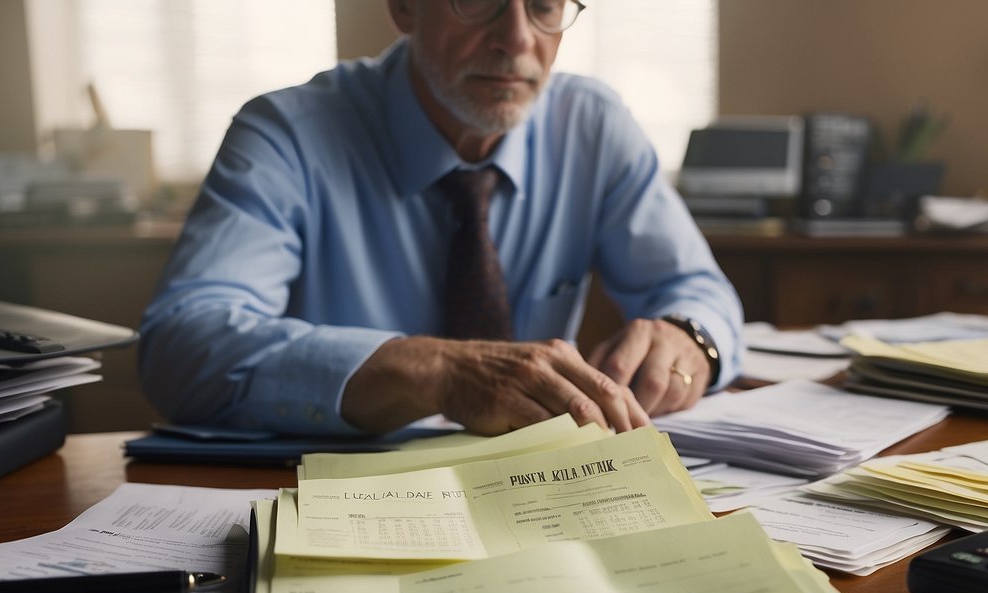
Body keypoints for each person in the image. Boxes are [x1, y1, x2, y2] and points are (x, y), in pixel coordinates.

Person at [138, 0, 744, 438]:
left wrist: (689, 339)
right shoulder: (285, 136)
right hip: (335, 501)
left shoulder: (594, 127)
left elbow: (699, 293)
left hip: (547, 498)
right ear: (404, 7)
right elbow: (182, 347)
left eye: (543, 6)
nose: (516, 38)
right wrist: (438, 373)